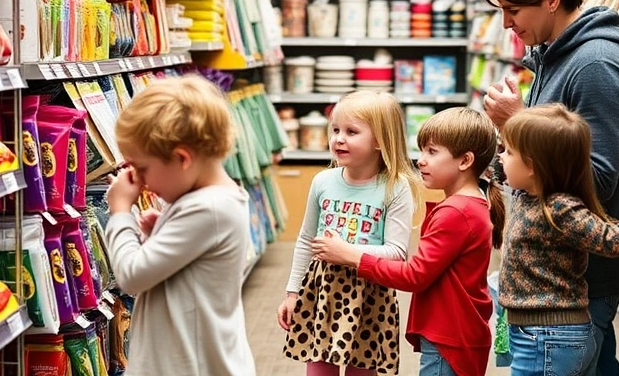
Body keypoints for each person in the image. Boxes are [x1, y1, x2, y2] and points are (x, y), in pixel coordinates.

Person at [481, 0, 619, 376]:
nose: (507, 23)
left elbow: (599, 178)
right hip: (558, 281)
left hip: (578, 285)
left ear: (551, 0)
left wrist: (517, 122)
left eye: (514, 10)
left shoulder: (595, 66)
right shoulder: (555, 56)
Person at [313, 107, 505, 376]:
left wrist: (351, 255)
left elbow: (414, 275)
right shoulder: (471, 203)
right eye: (422, 150)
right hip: (456, 333)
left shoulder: (456, 212)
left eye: (432, 152)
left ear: (465, 161)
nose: (421, 160)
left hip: (448, 336)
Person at [497, 105, 619, 376]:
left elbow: (610, 240)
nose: (501, 158)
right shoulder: (527, 196)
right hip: (534, 333)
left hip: (550, 336)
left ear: (532, 166)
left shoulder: (559, 208)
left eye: (508, 152)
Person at [103, 76, 256, 376]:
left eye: (143, 168)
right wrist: (158, 233)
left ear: (182, 158)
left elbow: (132, 276)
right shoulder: (205, 200)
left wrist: (120, 212)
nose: (140, 181)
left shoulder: (207, 208)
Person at [278, 90, 421, 376]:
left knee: (361, 371)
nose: (338, 139)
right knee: (318, 369)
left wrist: (348, 253)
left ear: (380, 140)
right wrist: (292, 292)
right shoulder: (322, 181)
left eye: (351, 131)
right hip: (321, 292)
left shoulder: (395, 187)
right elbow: (306, 240)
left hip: (369, 295)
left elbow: (397, 252)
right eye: (335, 130)